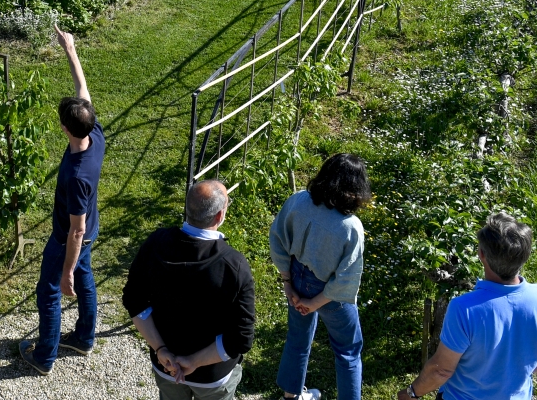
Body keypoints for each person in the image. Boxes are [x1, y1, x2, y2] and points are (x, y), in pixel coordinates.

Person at [397, 212, 537, 400]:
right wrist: (510, 376)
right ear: (525, 256)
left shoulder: (464, 309)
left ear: (481, 254)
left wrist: (411, 393)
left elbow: (440, 371)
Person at [19, 24, 106, 376]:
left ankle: (44, 357)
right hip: (90, 232)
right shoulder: (94, 134)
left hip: (67, 238)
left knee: (51, 292)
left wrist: (65, 268)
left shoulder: (76, 175)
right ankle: (84, 338)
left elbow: (75, 230)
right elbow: (82, 89)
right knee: (86, 277)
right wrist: (69, 49)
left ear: (66, 129)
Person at [122, 180, 256, 399]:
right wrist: (194, 362)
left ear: (187, 208)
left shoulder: (156, 243)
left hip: (166, 367)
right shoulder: (234, 265)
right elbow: (241, 339)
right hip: (213, 377)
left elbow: (133, 299)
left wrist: (161, 349)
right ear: (220, 216)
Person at [269, 153, 370, 400]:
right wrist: (315, 303)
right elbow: (346, 279)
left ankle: (290, 396)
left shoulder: (298, 201)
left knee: (297, 338)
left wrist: (288, 284)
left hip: (297, 277)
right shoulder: (350, 226)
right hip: (329, 294)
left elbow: (278, 239)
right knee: (348, 350)